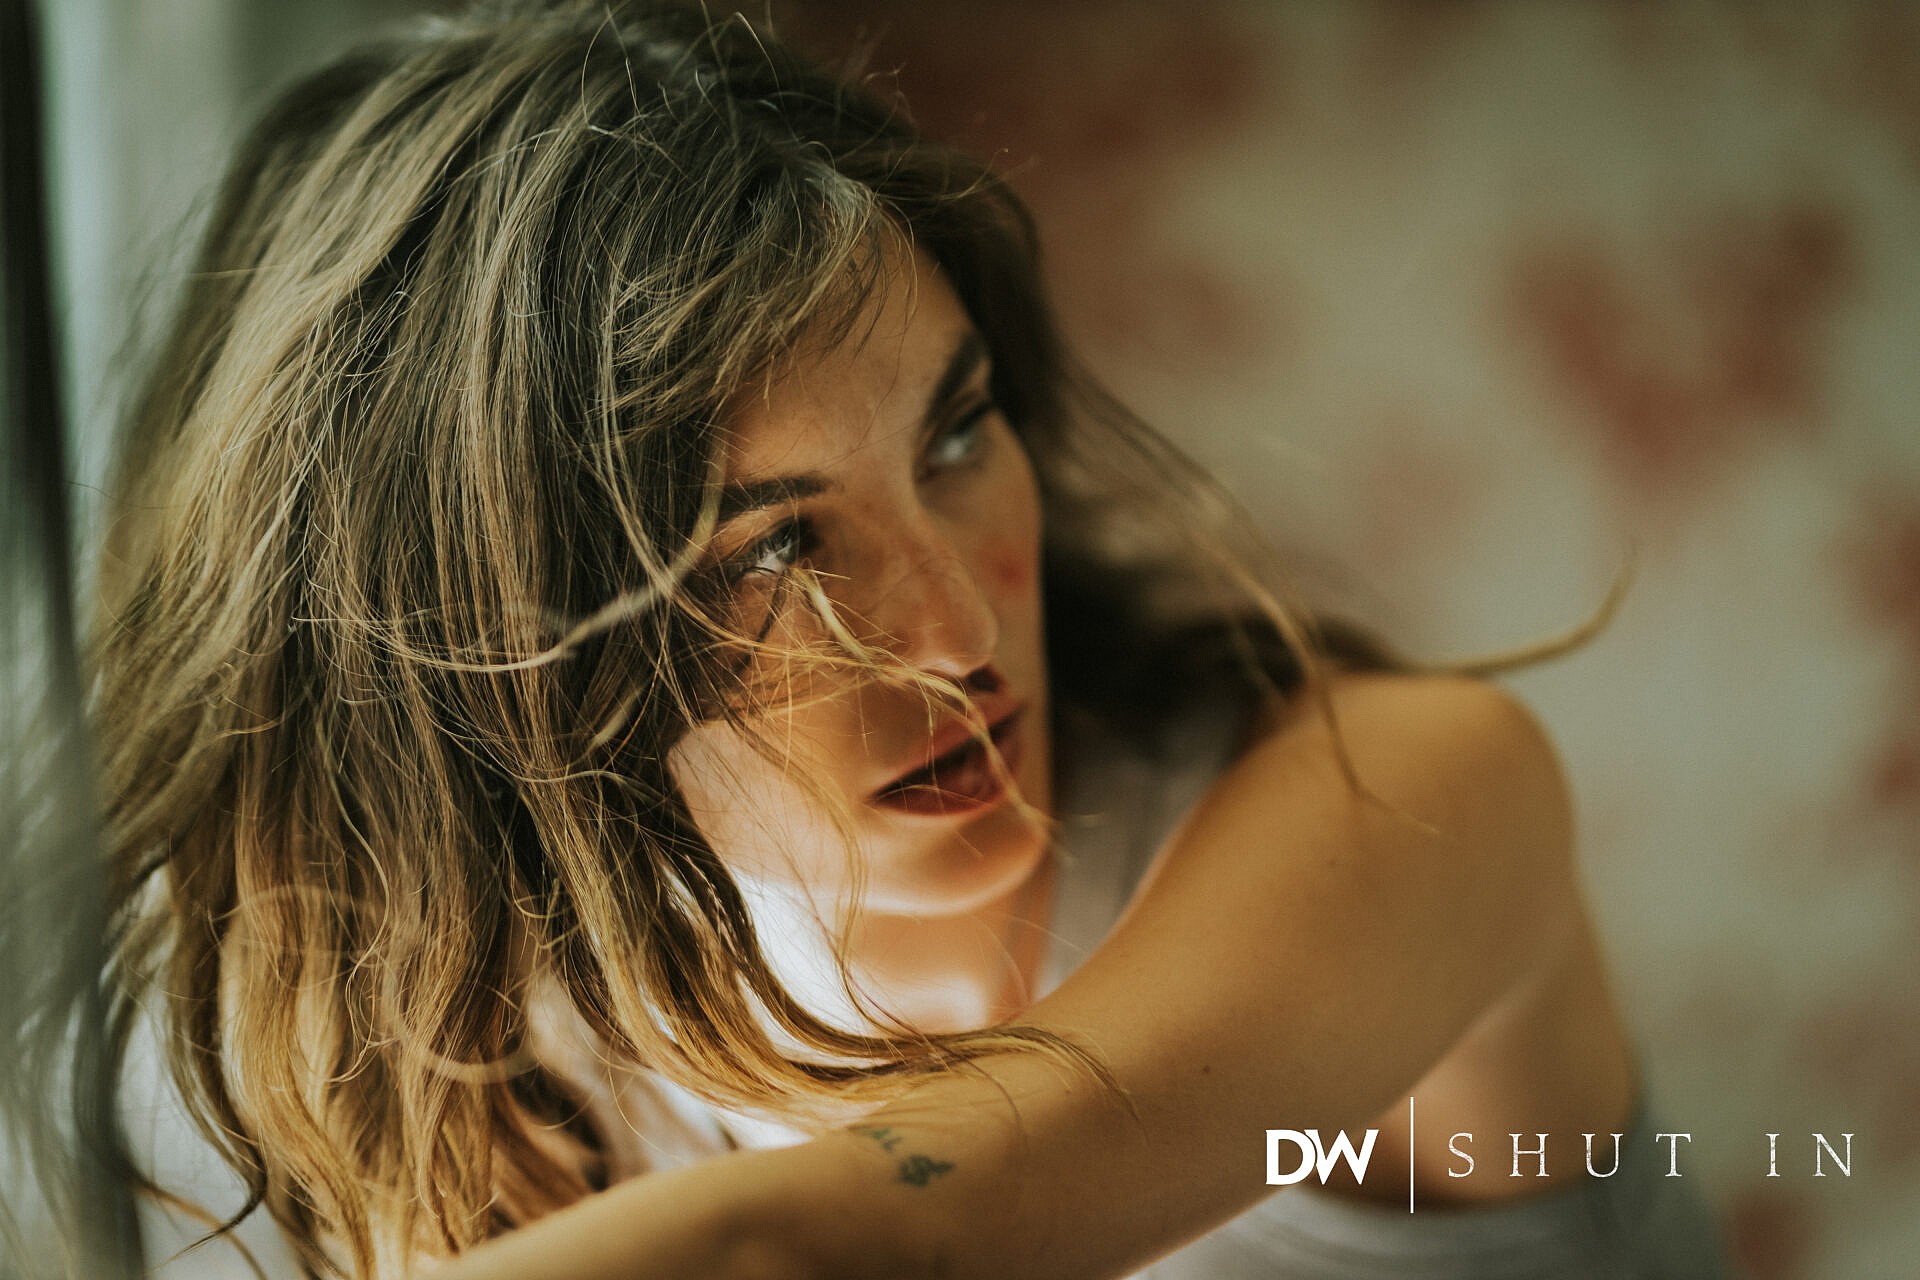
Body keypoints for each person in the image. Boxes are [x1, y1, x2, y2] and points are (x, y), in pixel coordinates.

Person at [95, 2, 1730, 1276]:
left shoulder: (1420, 798)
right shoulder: (448, 1047)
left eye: (955, 436)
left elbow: (855, 1241)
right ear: (485, 646)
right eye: (771, 549)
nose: (953, 628)